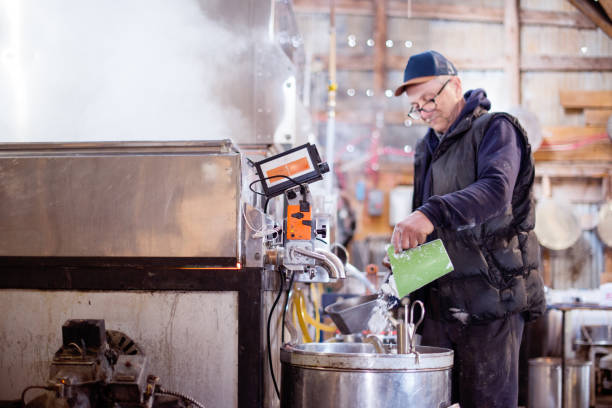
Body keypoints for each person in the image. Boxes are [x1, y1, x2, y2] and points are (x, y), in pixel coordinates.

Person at [391, 50, 546, 408]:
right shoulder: (425, 148)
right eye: (417, 106)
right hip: (442, 308)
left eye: (430, 98)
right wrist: (404, 270)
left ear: (456, 85)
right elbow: (431, 230)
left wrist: (429, 213)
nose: (425, 111)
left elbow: (495, 192)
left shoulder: (496, 130)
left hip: (493, 303)